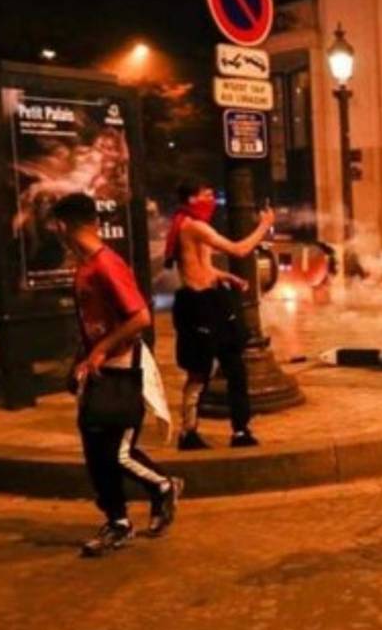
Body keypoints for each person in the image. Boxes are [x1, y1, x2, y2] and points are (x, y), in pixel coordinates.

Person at [51, 193, 182, 557]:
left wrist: (99, 350)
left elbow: (140, 317)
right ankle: (118, 522)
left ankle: (163, 486)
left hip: (123, 369)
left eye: (55, 226)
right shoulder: (85, 264)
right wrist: (82, 360)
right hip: (99, 370)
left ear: (62, 225)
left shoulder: (106, 265)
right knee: (95, 453)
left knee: (117, 452)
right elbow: (94, 324)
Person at [165, 181, 274, 450]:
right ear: (191, 199)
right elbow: (239, 250)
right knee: (199, 371)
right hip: (197, 306)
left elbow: (203, 268)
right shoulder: (192, 226)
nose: (212, 199)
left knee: (235, 366)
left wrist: (229, 277)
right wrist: (264, 225)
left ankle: (240, 430)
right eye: (206, 195)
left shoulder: (194, 224)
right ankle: (188, 433)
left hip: (215, 301)